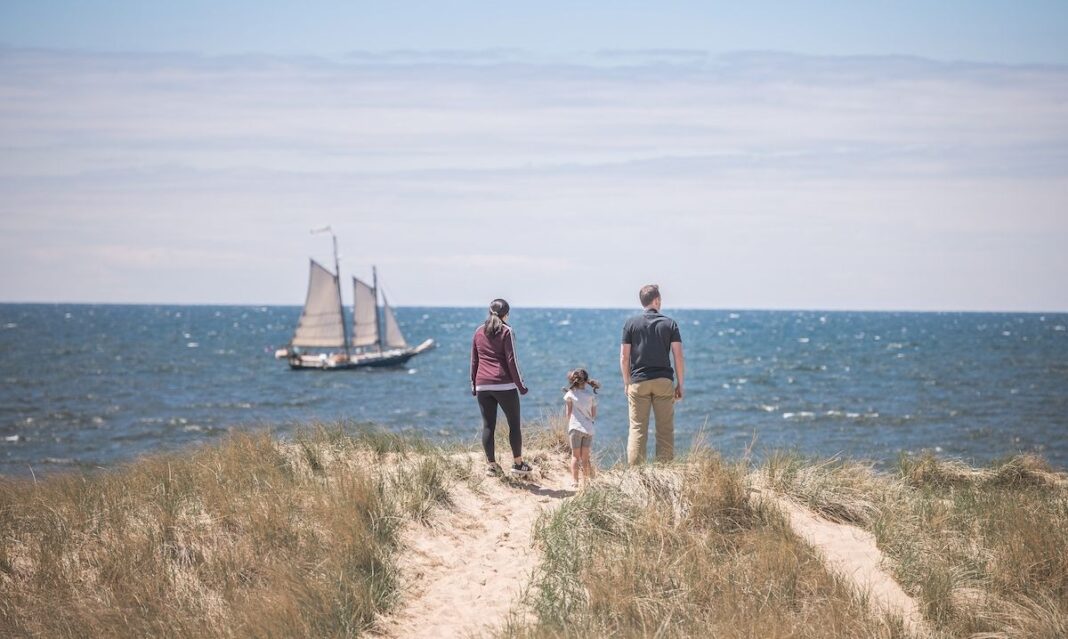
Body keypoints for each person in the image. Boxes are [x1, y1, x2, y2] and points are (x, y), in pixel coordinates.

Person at [620, 284, 685, 464]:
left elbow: (624, 357)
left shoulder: (630, 324)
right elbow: (678, 356)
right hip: (663, 382)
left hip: (638, 382)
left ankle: (636, 475)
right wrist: (680, 383)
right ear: (656, 300)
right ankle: (664, 472)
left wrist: (627, 382)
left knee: (637, 429)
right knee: (664, 430)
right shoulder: (670, 323)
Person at [470, 298, 533, 477]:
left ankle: (491, 466)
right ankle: (518, 464)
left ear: (489, 312)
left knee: (488, 426)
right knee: (514, 425)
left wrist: (474, 385)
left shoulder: (478, 331)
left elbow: (474, 361)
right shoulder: (507, 331)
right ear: (506, 314)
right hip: (504, 385)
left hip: (483, 385)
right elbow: (511, 361)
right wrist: (521, 386)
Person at [563, 368, 599, 489]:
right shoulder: (591, 396)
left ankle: (574, 481)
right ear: (586, 381)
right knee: (585, 458)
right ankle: (586, 481)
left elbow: (568, 414)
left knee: (575, 456)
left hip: (575, 428)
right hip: (588, 429)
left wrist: (570, 422)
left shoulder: (570, 394)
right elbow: (594, 415)